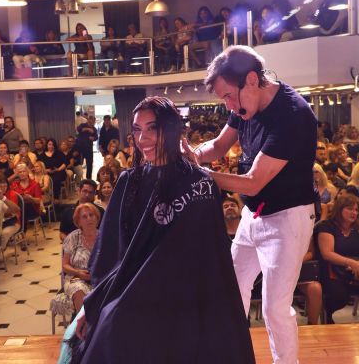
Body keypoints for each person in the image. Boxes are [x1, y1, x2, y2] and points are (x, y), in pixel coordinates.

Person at [65, 96, 254, 364]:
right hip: (137, 290)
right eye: (137, 130)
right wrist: (94, 303)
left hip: (190, 296)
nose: (143, 139)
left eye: (152, 128)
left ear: (171, 128)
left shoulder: (200, 182)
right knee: (110, 328)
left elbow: (210, 254)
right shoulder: (128, 182)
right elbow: (116, 254)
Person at [183, 45, 317, 364]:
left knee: (274, 308)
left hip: (288, 218)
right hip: (253, 214)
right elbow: (219, 145)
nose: (229, 106)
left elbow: (255, 180)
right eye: (224, 99)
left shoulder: (292, 115)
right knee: (231, 290)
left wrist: (199, 174)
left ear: (253, 80)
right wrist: (191, 156)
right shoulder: (244, 102)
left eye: (229, 96)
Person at [316, 194, 359, 323]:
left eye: (356, 210)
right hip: (331, 272)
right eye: (350, 209)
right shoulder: (326, 226)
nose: (354, 213)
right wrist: (351, 263)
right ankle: (327, 315)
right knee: (339, 297)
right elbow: (327, 254)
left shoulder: (357, 229)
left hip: (355, 271)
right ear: (339, 209)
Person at [62, 203, 100, 313]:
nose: (89, 219)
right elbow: (65, 265)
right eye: (84, 216)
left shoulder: (105, 236)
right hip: (76, 278)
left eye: (91, 215)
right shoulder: (72, 238)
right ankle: (85, 322)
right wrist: (78, 272)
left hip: (100, 278)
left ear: (97, 218)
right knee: (78, 290)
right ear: (78, 222)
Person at [76, 116, 98, 180]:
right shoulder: (82, 125)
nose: (93, 122)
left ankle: (89, 178)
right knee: (79, 163)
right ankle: (79, 178)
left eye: (93, 121)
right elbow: (78, 129)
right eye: (92, 121)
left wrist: (93, 138)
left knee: (90, 164)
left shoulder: (94, 129)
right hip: (80, 148)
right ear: (88, 120)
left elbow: (96, 137)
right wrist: (88, 129)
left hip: (89, 149)